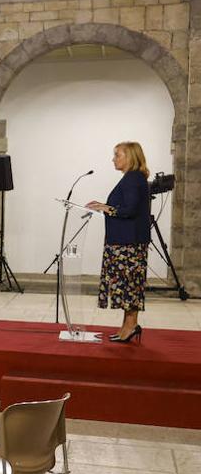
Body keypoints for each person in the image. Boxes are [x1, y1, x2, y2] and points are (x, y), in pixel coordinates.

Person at [88, 141, 153, 343]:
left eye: (118, 155)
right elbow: (125, 206)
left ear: (130, 157)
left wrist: (106, 208)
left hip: (129, 245)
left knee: (129, 286)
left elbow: (130, 209)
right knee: (127, 286)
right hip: (125, 242)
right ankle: (128, 326)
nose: (114, 159)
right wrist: (104, 206)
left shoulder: (133, 179)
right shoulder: (132, 178)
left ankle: (131, 325)